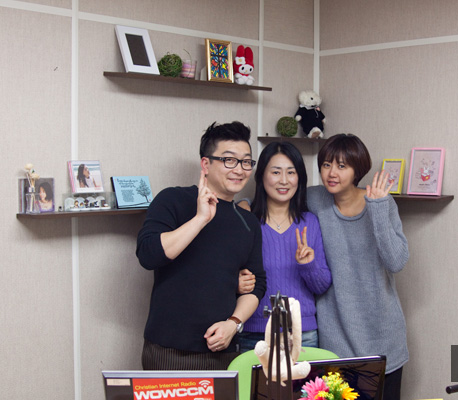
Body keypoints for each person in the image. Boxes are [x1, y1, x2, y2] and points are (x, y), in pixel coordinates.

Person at [136, 121, 267, 370]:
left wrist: (233, 323)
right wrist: (200, 219)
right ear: (206, 164)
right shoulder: (173, 199)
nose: (239, 169)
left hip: (223, 351)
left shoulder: (248, 221)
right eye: (229, 160)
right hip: (168, 349)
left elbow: (257, 284)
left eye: (246, 162)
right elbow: (149, 254)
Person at [307, 133, 410, 400]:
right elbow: (276, 198)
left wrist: (377, 208)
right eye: (326, 164)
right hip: (336, 341)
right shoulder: (315, 199)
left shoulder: (381, 202)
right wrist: (245, 203)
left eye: (342, 166)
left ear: (357, 170)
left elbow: (396, 261)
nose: (332, 173)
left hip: (383, 336)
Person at [236, 141, 331, 353]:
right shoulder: (245, 219)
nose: (284, 180)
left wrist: (309, 265)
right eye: (276, 172)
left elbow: (322, 286)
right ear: (261, 176)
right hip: (254, 334)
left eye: (291, 172)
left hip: (302, 335)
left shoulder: (310, 222)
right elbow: (223, 274)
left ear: (300, 178)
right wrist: (236, 282)